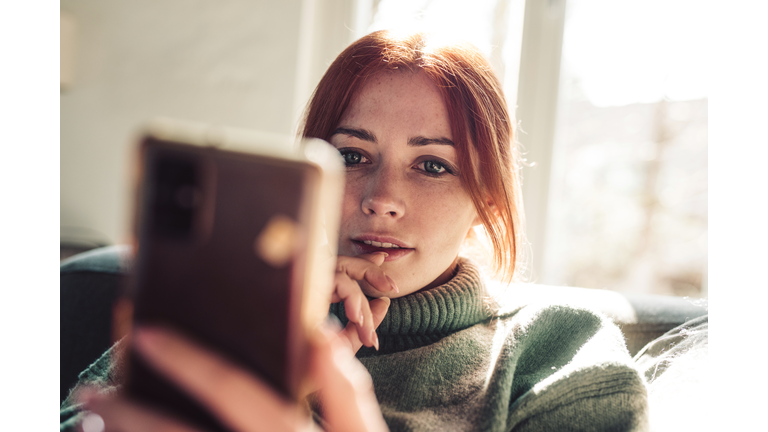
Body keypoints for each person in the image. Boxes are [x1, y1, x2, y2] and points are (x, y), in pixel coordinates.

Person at [60, 30, 649, 432]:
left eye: (433, 165)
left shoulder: (560, 352)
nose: (383, 199)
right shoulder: (223, 313)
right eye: (351, 156)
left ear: (486, 197)